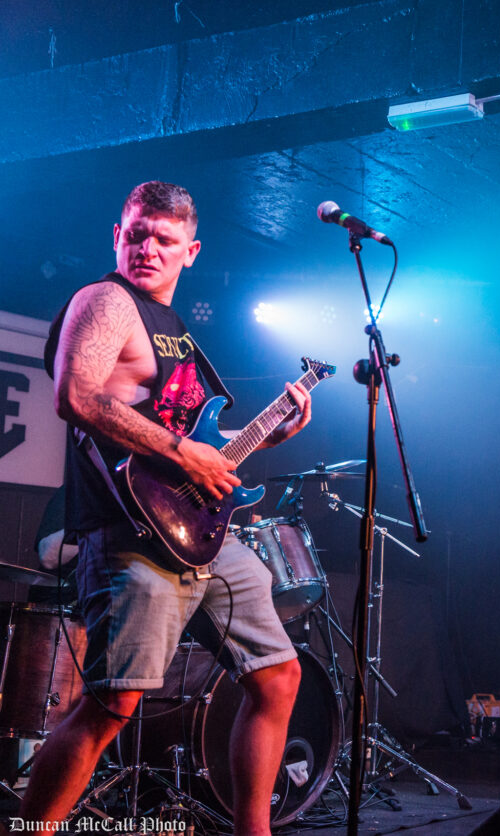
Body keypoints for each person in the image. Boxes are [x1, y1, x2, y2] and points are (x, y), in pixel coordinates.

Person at [15, 181, 309, 835]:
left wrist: (265, 436)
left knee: (279, 677)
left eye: (165, 239)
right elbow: (77, 397)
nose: (148, 248)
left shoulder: (176, 332)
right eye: (137, 233)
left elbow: (200, 450)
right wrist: (185, 452)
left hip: (198, 532)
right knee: (112, 705)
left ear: (191, 251)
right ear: (117, 235)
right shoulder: (104, 301)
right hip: (127, 533)